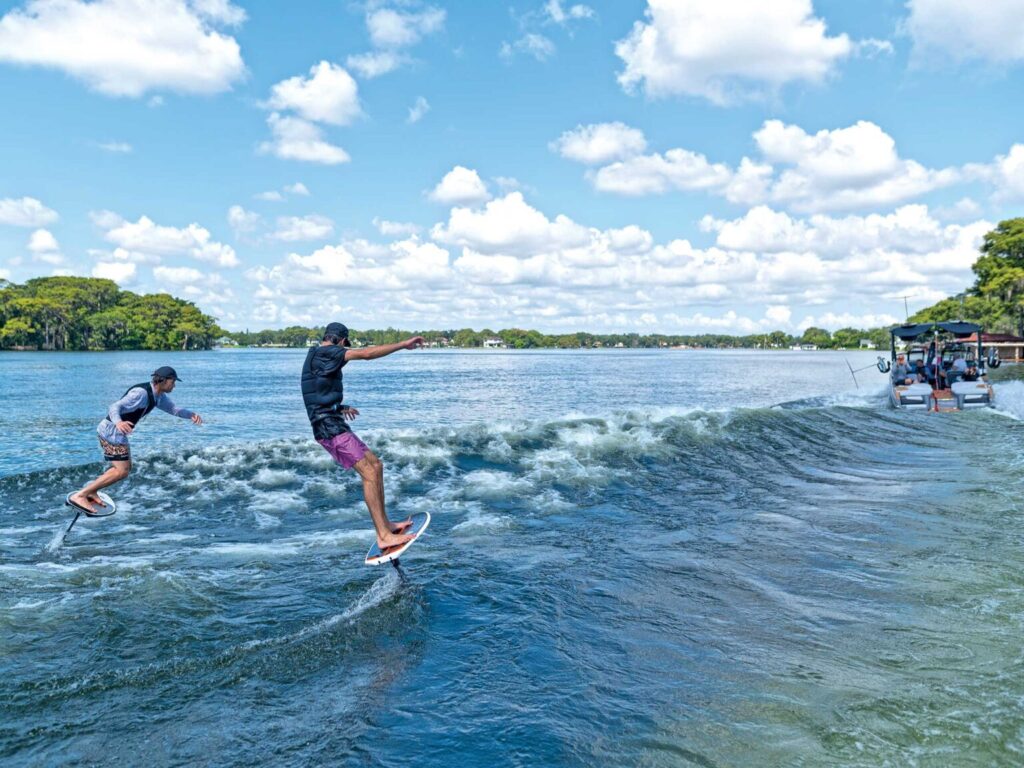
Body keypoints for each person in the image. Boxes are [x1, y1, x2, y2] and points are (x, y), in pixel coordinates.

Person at [301, 322, 425, 552]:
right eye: (345, 346)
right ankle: (383, 536)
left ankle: (386, 524)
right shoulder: (329, 351)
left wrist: (339, 406)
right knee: (369, 473)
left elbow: (315, 391)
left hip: (332, 421)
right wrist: (403, 344)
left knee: (376, 466)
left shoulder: (316, 355)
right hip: (328, 427)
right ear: (339, 341)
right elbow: (367, 354)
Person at [68, 366, 203, 514]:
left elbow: (174, 410)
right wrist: (119, 422)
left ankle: (91, 492)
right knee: (122, 471)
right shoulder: (141, 393)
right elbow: (115, 406)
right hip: (111, 431)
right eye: (173, 381)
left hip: (117, 433)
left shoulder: (158, 395)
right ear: (163, 381)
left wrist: (191, 414)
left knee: (123, 469)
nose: (174, 385)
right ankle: (80, 495)